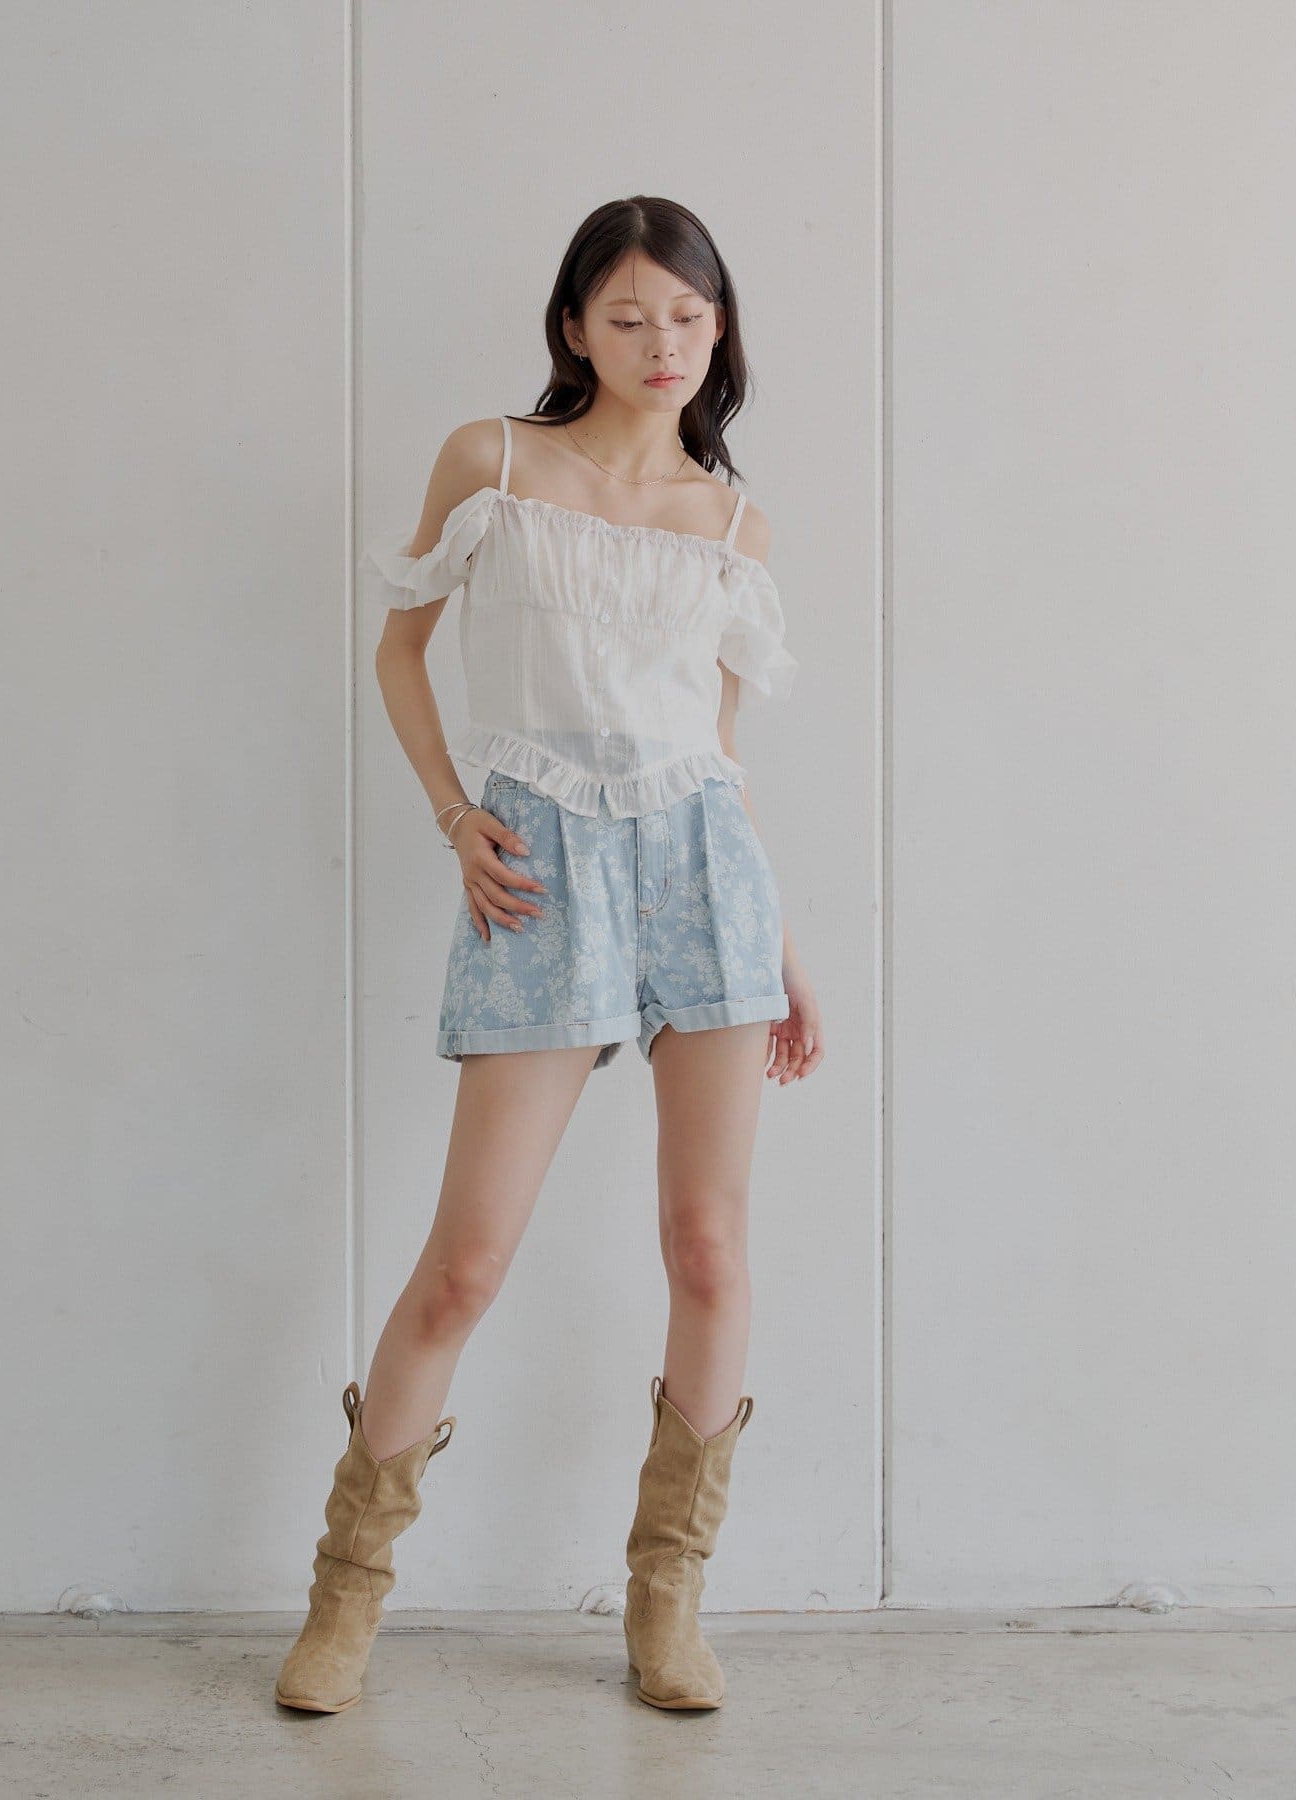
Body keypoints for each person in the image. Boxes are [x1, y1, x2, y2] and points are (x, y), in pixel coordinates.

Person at [275, 195, 824, 1718]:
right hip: (539, 874)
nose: (664, 343)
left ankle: (667, 1602)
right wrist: (457, 815)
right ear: (576, 326)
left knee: (709, 1249)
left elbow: (717, 751)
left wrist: (781, 942)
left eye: (690, 317)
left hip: (704, 878)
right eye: (631, 315)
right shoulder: (495, 463)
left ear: (719, 331)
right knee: (466, 1264)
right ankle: (346, 1597)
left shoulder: (734, 523)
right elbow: (401, 646)